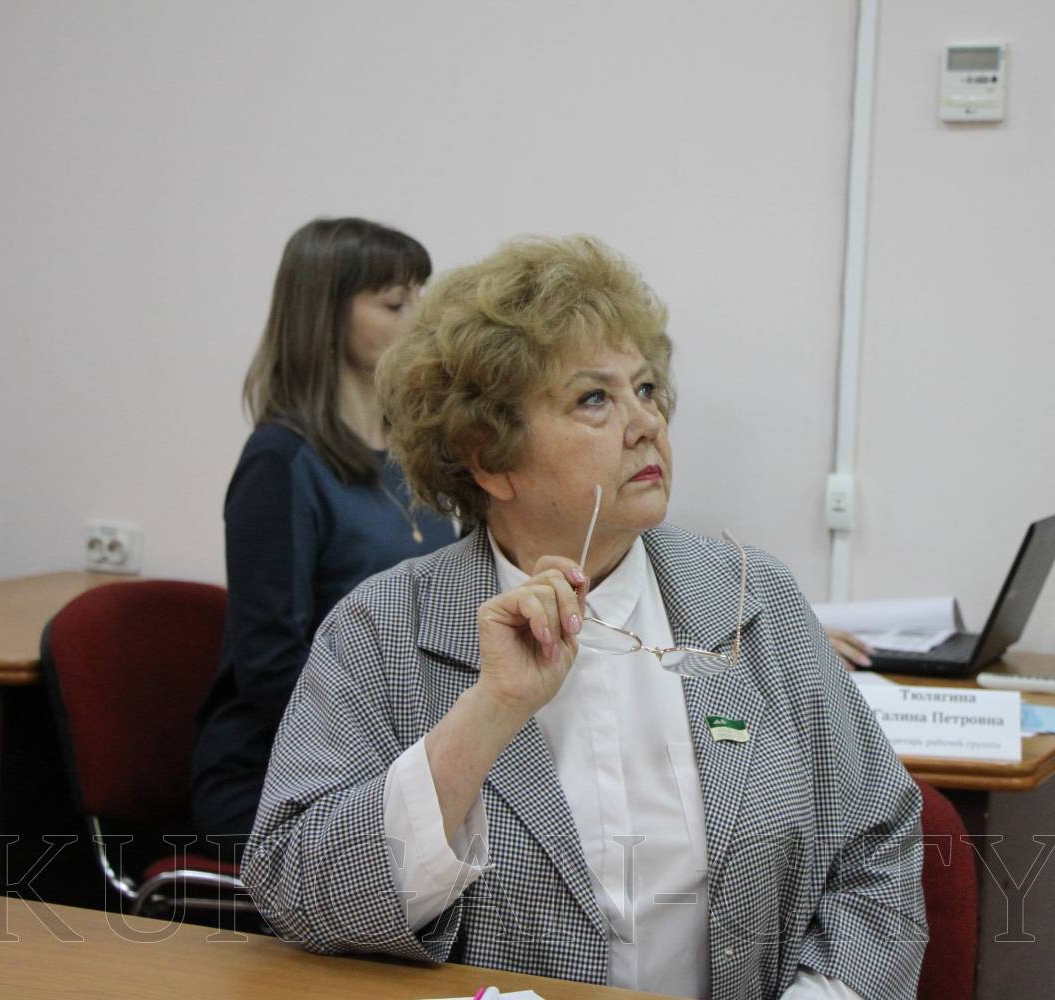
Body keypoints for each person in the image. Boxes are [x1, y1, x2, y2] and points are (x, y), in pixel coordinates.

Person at [243, 236, 927, 998]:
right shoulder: (382, 629)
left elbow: (878, 846)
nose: (645, 423)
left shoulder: (751, 598)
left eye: (647, 389)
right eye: (594, 399)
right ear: (489, 457)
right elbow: (296, 887)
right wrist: (488, 713)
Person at [191, 217, 454, 847]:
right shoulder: (280, 462)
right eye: (395, 303)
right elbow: (271, 668)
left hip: (395, 757)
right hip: (287, 775)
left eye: (419, 296)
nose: (420, 317)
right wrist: (405, 759)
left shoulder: (412, 454)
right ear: (327, 313)